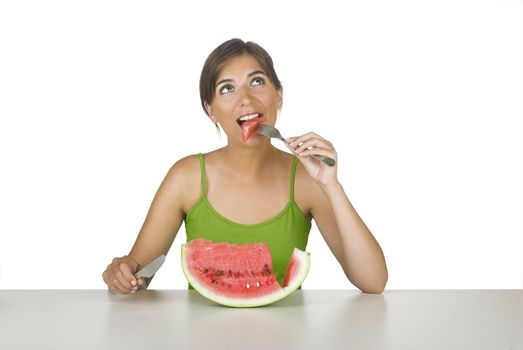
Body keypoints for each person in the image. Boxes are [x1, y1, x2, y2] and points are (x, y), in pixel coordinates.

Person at [102, 38, 388, 294]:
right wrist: (123, 274)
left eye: (257, 82)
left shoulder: (305, 179)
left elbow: (373, 282)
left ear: (278, 95)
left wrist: (331, 185)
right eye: (227, 89)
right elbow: (139, 274)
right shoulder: (187, 178)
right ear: (210, 110)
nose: (246, 100)